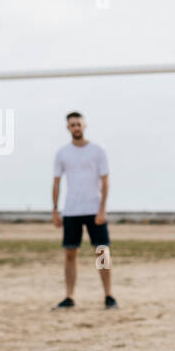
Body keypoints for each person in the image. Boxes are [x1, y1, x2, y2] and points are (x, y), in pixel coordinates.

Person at [51, 111, 117, 309]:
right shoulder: (62, 153)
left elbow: (105, 181)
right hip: (71, 210)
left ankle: (109, 295)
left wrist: (102, 209)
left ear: (84, 125)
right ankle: (69, 296)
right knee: (70, 253)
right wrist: (55, 210)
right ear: (67, 128)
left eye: (78, 124)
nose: (76, 127)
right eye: (72, 125)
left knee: (102, 251)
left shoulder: (97, 151)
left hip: (94, 209)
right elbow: (56, 182)